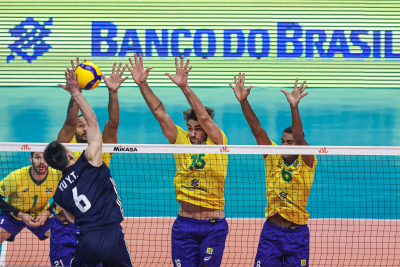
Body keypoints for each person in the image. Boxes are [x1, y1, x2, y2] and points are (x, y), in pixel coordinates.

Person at [126, 54, 229, 267]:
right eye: (190, 129)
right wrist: (142, 84)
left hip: (213, 224)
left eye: (198, 129)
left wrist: (185, 88)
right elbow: (160, 113)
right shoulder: (180, 140)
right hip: (184, 225)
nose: (193, 134)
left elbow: (205, 117)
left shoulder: (218, 141)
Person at [44, 68, 132, 267]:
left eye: (87, 126)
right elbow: (69, 121)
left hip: (93, 228)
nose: (84, 129)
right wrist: (78, 92)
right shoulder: (66, 148)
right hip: (66, 229)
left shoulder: (101, 150)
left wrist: (113, 92)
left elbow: (113, 123)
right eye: (80, 125)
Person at [229, 75, 317, 267]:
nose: (284, 145)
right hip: (271, 232)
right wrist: (244, 101)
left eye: (289, 142)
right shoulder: (272, 156)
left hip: (297, 235)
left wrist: (294, 107)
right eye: (283, 141)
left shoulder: (308, 162)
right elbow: (257, 129)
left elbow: (301, 139)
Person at [0, 152, 58, 243]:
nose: (42, 162)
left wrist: (47, 213)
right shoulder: (15, 177)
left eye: (45, 157)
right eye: (37, 157)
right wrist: (20, 215)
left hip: (41, 214)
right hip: (13, 215)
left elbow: (64, 197)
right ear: (31, 159)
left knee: (63, 237)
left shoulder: (57, 176)